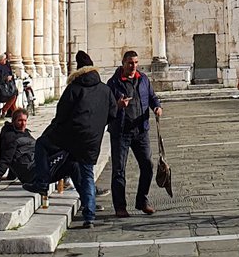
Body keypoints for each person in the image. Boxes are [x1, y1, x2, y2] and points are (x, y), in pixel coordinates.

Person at [27, 50, 117, 227]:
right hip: (92, 140)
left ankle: (42, 182)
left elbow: (61, 115)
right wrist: (97, 126)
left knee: (42, 144)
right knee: (86, 172)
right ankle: (89, 216)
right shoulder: (105, 90)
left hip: (72, 136)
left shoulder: (74, 88)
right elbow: (113, 113)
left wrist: (52, 131)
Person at [108, 50, 162, 218]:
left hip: (141, 130)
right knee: (119, 170)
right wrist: (118, 105)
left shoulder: (143, 79)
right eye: (130, 63)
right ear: (123, 63)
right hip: (121, 132)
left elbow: (152, 97)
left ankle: (142, 200)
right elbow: (107, 107)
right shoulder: (113, 83)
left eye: (136, 63)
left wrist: (157, 107)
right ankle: (120, 206)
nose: (133, 66)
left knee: (147, 165)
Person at [0, 108, 35, 189]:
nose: (23, 124)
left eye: (25, 121)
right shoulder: (10, 137)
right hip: (31, 175)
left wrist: (11, 176)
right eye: (20, 120)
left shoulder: (25, 133)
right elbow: (6, 158)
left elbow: (17, 156)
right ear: (13, 121)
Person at [0, 53, 17, 117]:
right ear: (1, 60)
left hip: (9, 86)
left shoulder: (6, 66)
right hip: (3, 88)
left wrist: (10, 77)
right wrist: (6, 78)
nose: (5, 60)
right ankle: (7, 110)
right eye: (4, 59)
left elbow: (10, 73)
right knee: (13, 96)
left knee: (14, 95)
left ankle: (13, 112)